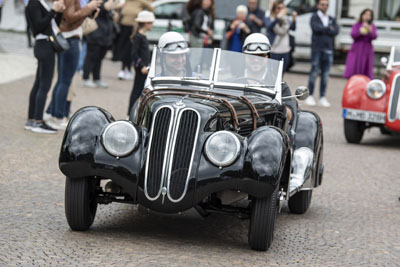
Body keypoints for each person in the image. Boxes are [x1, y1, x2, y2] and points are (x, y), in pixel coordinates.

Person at [45, 0, 102, 130]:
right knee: (65, 81)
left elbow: (74, 16)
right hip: (70, 39)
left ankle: (53, 113)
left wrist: (90, 11)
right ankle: (58, 117)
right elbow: (70, 17)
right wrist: (88, 7)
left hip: (67, 39)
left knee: (62, 80)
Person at [24, 0, 65, 134]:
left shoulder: (40, 3)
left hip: (45, 45)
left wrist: (58, 12)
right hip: (44, 45)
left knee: (38, 84)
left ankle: (32, 119)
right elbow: (38, 26)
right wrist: (53, 11)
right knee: (44, 85)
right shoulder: (34, 3)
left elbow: (52, 25)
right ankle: (37, 121)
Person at [242, 33, 295, 126]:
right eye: (252, 56)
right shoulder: (233, 82)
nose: (256, 60)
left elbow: (290, 115)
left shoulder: (279, 85)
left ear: (267, 57)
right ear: (245, 57)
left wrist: (280, 107)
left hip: (268, 131)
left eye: (261, 56)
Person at [305, 0, 338, 107]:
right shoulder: (314, 17)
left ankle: (322, 96)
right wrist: (328, 28)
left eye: (326, 5)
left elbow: (336, 31)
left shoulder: (331, 18)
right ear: (318, 5)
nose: (325, 6)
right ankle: (309, 95)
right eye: (322, 4)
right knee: (314, 73)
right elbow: (316, 29)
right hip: (317, 49)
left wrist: (325, 29)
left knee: (325, 75)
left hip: (328, 50)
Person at [82, 0, 120, 88]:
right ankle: (86, 78)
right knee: (90, 57)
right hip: (95, 34)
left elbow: (113, 9)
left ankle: (97, 78)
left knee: (99, 59)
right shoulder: (97, 1)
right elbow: (105, 7)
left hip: (105, 36)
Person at [112, 0, 153, 80]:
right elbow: (114, 8)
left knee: (131, 50)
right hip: (123, 29)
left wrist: (142, 14)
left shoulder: (141, 2)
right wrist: (119, 6)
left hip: (134, 29)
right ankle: (123, 69)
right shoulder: (126, 1)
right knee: (124, 50)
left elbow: (151, 8)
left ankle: (129, 70)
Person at [127, 10, 155, 115]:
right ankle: (130, 112)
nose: (152, 25)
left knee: (141, 90)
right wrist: (142, 66)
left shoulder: (142, 36)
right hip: (141, 69)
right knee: (137, 90)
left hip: (144, 68)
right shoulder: (139, 37)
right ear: (146, 23)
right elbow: (134, 54)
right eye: (151, 23)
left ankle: (137, 112)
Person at [344, 9, 377, 80]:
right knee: (355, 65)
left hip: (367, 49)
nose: (367, 16)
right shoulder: (357, 25)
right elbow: (353, 35)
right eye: (365, 14)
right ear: (362, 15)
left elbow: (374, 36)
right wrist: (360, 31)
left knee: (365, 66)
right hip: (357, 49)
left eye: (369, 15)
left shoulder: (372, 26)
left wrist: (369, 30)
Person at [265, 0, 296, 73]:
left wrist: (294, 20)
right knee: (271, 74)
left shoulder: (286, 19)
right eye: (278, 8)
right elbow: (269, 27)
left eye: (282, 8)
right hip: (274, 50)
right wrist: (278, 17)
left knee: (281, 75)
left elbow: (293, 28)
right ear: (274, 9)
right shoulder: (269, 18)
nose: (280, 10)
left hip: (285, 50)